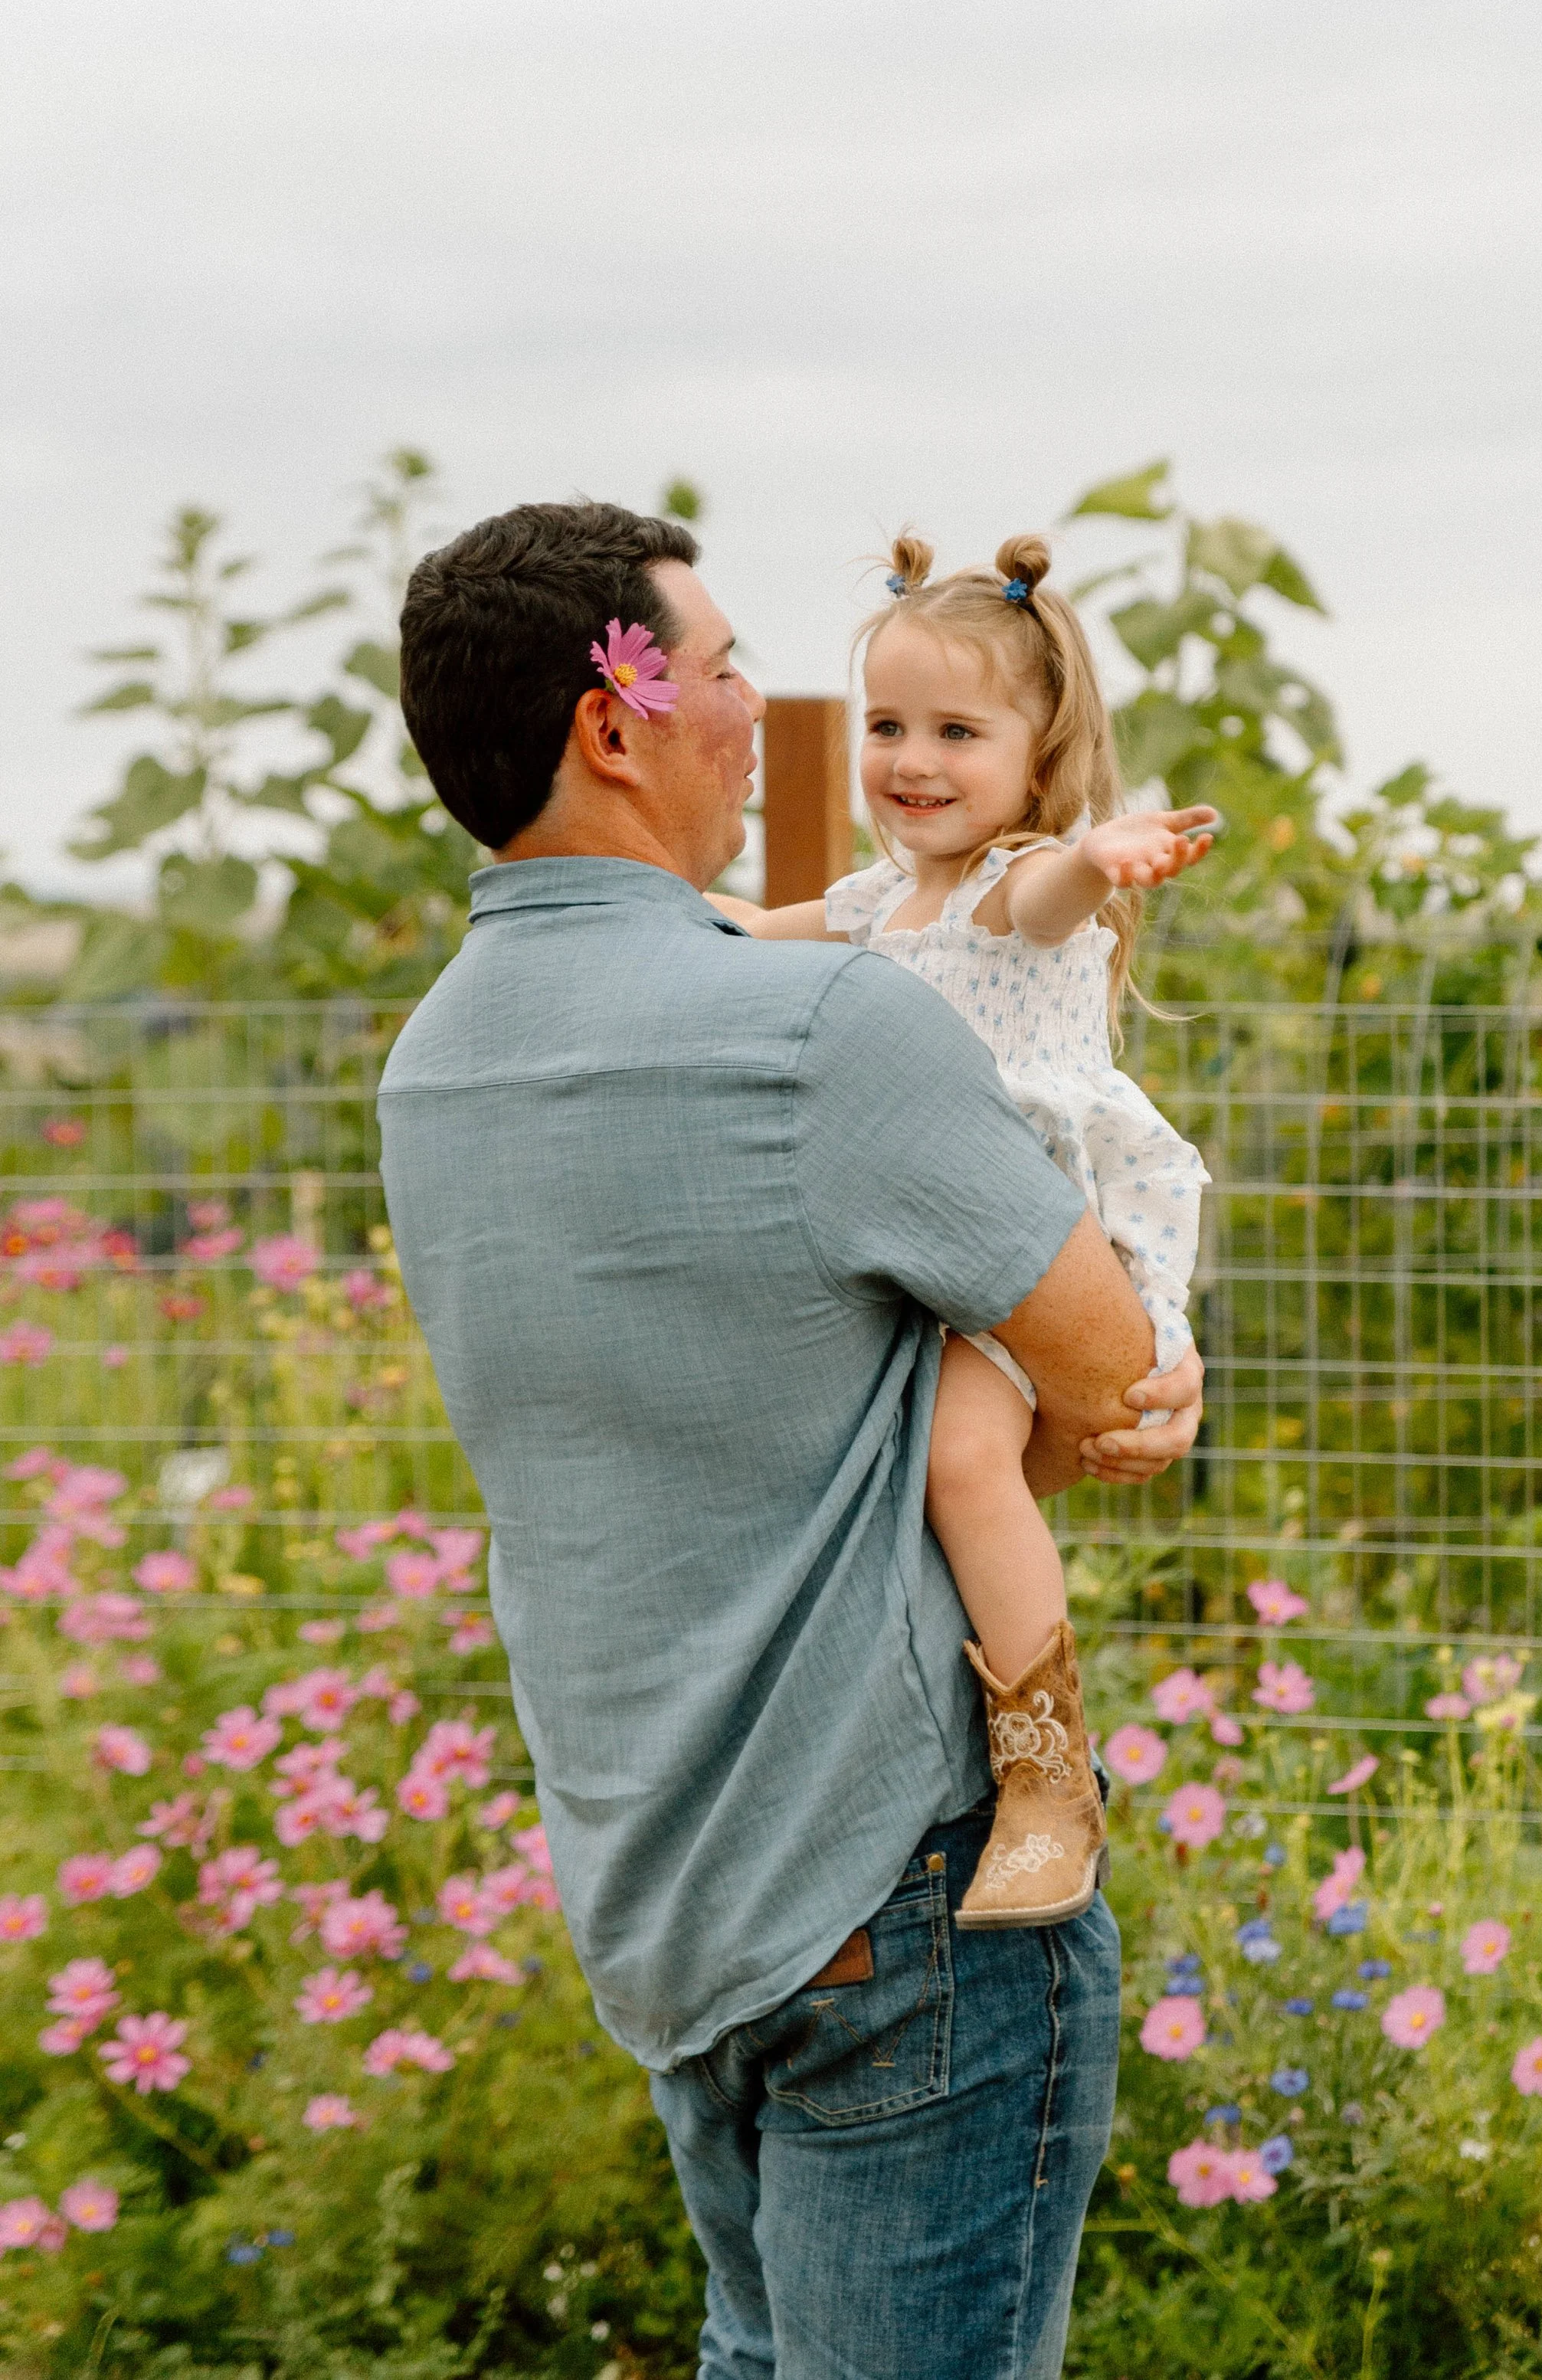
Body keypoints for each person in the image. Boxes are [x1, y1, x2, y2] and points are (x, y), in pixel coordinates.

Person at [377, 499, 1204, 2380]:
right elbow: (1103, 1366)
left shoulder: (430, 1067)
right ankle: (1051, 1746)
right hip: (895, 1897)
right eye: (732, 665)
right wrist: (1129, 1385)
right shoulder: (821, 1023)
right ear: (616, 722)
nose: (771, 709)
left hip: (667, 1892)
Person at [719, 529, 1215, 1933]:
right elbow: (762, 927)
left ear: (1038, 752)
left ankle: (1048, 1778)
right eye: (887, 725)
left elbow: (1053, 893)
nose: (910, 758)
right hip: (922, 1250)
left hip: (1022, 1243)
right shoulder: (885, 899)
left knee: (957, 1457)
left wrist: (1103, 854)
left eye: (955, 729)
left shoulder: (1020, 883)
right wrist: (654, 915)